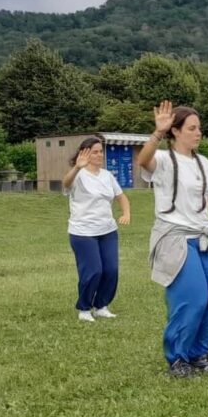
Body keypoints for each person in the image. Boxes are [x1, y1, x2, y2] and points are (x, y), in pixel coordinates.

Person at [137, 102, 208, 377]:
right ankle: (178, 359)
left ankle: (199, 354)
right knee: (192, 298)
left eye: (199, 128)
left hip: (205, 236)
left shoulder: (203, 162)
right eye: (192, 128)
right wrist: (157, 133)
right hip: (175, 238)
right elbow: (142, 161)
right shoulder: (164, 160)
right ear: (176, 131)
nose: (198, 133)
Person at [62, 135, 130, 323]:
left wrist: (126, 213)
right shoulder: (78, 175)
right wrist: (77, 167)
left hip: (107, 230)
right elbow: (65, 184)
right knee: (93, 271)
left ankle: (101, 306)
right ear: (85, 154)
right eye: (95, 152)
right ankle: (84, 309)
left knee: (111, 270)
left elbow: (121, 196)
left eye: (101, 152)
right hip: (83, 232)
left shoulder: (107, 176)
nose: (100, 155)